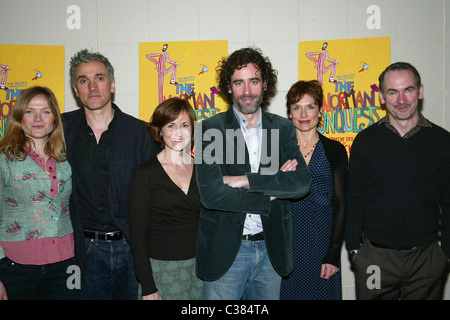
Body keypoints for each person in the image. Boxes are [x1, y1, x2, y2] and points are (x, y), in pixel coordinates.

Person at [194, 47, 312, 300]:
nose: (247, 91)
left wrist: (242, 180)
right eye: (239, 83)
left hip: (271, 251)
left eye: (253, 81)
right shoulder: (208, 130)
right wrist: (270, 193)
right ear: (229, 87)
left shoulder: (282, 128)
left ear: (265, 84)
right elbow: (211, 195)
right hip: (226, 252)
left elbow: (301, 183)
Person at [345, 62, 450, 300]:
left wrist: (445, 254)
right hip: (375, 259)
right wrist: (355, 251)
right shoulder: (365, 141)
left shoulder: (443, 142)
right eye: (393, 92)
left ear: (420, 91)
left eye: (408, 90)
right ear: (382, 97)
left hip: (427, 258)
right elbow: (355, 199)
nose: (401, 99)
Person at [62, 49, 159, 300]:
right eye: (83, 80)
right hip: (83, 252)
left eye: (100, 78)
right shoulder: (59, 129)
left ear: (112, 84)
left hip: (132, 250)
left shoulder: (141, 133)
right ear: (75, 89)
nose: (92, 87)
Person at [0, 86, 78, 300]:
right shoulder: (4, 159)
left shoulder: (65, 159)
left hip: (66, 264)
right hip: (14, 267)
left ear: (54, 117)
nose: (38, 118)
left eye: (45, 111)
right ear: (19, 117)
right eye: (30, 111)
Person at [280, 80, 347, 300]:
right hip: (288, 243)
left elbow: (341, 203)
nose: (303, 113)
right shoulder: (279, 151)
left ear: (320, 110)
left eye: (310, 106)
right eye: (296, 107)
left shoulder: (334, 150)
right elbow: (268, 200)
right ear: (289, 113)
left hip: (322, 241)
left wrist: (334, 252)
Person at [130, 97, 202, 300]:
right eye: (171, 125)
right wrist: (148, 286)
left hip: (200, 270)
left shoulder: (203, 169)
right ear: (160, 130)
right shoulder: (146, 173)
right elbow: (137, 234)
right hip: (161, 271)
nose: (179, 132)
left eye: (185, 125)